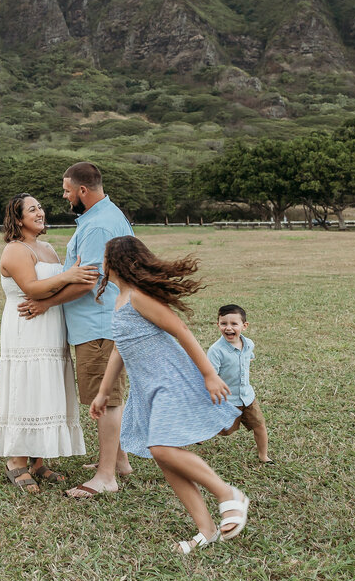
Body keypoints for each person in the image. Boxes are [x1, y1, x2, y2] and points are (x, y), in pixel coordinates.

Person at [90, 236, 250, 552]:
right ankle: (206, 530)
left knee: (161, 448)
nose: (102, 263)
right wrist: (103, 391)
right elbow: (120, 349)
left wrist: (209, 374)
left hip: (169, 382)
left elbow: (181, 330)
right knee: (165, 460)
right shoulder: (121, 300)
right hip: (147, 389)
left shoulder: (138, 297)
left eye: (105, 257)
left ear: (116, 262)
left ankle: (228, 494)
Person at [18, 162, 134, 498]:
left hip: (98, 324)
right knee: (107, 394)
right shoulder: (106, 216)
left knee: (107, 399)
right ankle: (120, 460)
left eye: (67, 190)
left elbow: (88, 282)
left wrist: (46, 303)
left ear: (83, 191)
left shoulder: (98, 226)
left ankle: (107, 476)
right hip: (99, 323)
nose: (65, 196)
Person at [0, 193, 100, 493]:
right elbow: (31, 288)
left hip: (52, 327)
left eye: (40, 207)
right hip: (26, 326)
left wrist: (73, 277)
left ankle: (39, 460)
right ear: (18, 219)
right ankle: (16, 461)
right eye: (32, 209)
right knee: (27, 386)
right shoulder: (15, 250)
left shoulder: (48, 248)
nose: (40, 212)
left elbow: (62, 285)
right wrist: (69, 275)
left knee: (46, 387)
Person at [208, 304, 272, 464]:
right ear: (218, 325)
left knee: (260, 425)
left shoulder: (248, 343)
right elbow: (210, 375)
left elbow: (248, 356)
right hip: (228, 401)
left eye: (234, 324)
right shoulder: (216, 351)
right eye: (223, 324)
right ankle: (201, 429)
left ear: (244, 326)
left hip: (247, 397)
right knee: (224, 430)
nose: (228, 328)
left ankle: (263, 456)